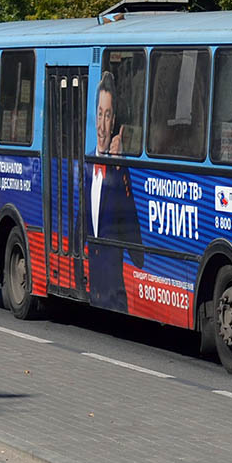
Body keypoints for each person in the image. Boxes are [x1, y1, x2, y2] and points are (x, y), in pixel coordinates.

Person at [84, 71, 143, 309]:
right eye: (99, 114)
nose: (102, 124)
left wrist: (120, 171)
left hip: (114, 302)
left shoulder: (120, 172)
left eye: (108, 116)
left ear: (114, 121)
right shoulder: (86, 165)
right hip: (89, 296)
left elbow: (138, 256)